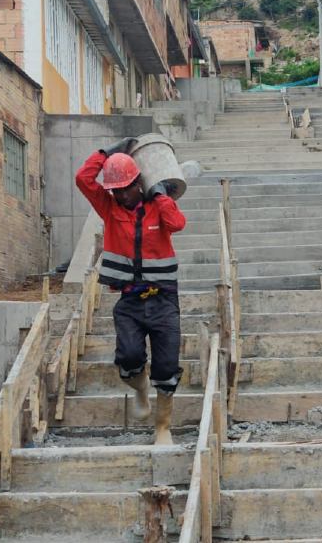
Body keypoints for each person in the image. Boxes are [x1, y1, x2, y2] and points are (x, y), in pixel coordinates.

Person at [75, 138, 186, 445]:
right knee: (129, 357)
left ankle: (162, 427)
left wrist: (161, 195)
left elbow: (178, 223)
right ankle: (139, 389)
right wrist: (105, 153)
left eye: (127, 187)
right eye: (117, 190)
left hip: (163, 298)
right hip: (130, 301)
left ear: (139, 183)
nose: (122, 194)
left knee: (166, 366)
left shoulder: (157, 208)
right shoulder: (109, 209)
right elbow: (83, 179)